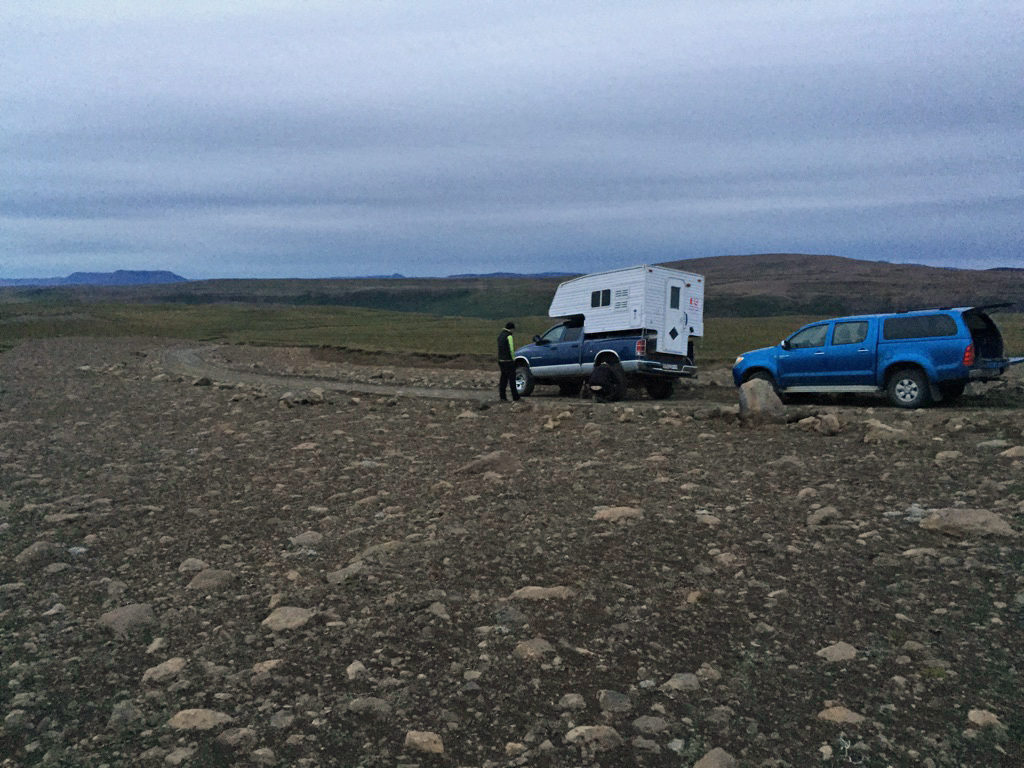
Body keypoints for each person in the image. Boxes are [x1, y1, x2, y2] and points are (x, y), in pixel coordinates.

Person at [497, 321, 520, 401]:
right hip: (508, 361)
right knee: (512, 380)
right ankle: (515, 397)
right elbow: (511, 349)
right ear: (511, 329)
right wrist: (514, 359)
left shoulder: (500, 335)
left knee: (503, 379)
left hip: (501, 360)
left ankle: (502, 397)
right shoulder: (509, 336)